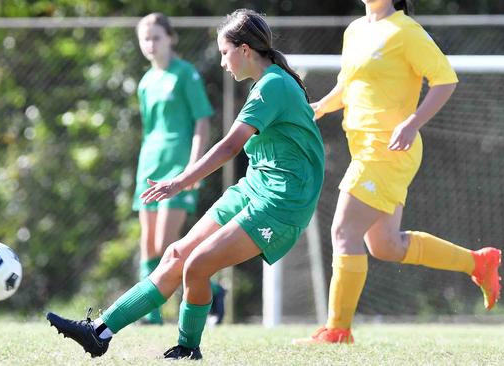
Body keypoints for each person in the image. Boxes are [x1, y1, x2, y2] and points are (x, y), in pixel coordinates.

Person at [47, 9, 325, 360]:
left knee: (197, 264)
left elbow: (228, 146)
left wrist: (179, 181)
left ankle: (187, 348)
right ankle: (99, 333)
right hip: (254, 189)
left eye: (224, 53)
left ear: (243, 49)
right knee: (177, 254)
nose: (223, 62)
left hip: (281, 202)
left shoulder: (272, 85)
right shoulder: (270, 83)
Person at [294, 0, 502, 344]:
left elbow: (445, 80)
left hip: (389, 151)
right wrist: (319, 108)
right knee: (386, 246)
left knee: (343, 230)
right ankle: (479, 264)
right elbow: (348, 87)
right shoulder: (355, 30)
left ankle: (337, 331)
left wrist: (412, 122)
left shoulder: (407, 32)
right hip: (365, 150)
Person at [131, 13, 224, 325]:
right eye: (145, 38)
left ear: (171, 38)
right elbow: (148, 130)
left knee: (166, 245)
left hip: (178, 166)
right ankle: (151, 316)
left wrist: (193, 168)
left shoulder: (185, 74)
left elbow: (201, 121)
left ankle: (212, 291)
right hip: (149, 165)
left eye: (156, 37)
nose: (150, 44)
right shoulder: (146, 81)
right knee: (148, 244)